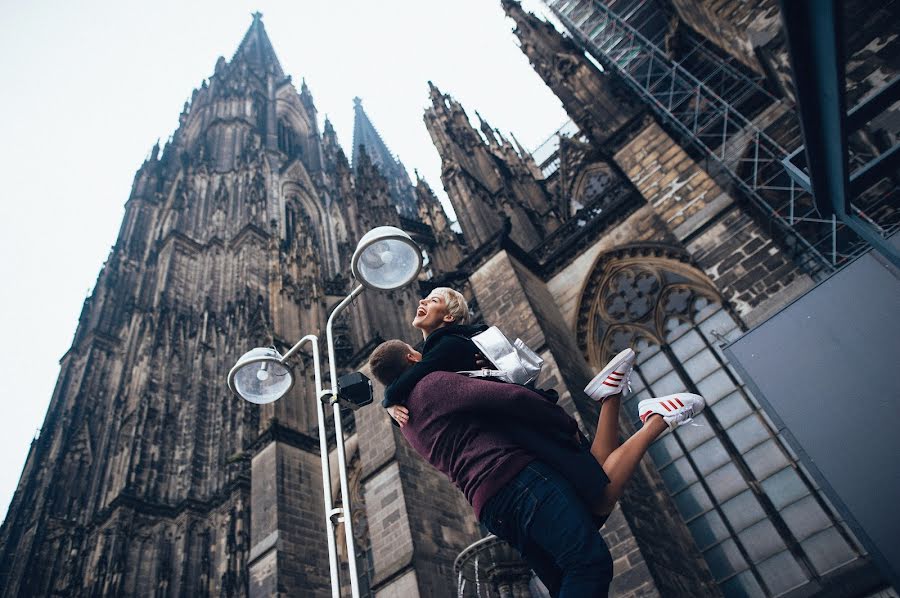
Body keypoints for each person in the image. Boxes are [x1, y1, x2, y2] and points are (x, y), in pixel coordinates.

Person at [368, 289, 705, 596]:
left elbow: (419, 377)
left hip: (489, 499)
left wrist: (388, 400)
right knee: (591, 537)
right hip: (515, 467)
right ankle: (638, 410)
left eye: (433, 298)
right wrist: (564, 422)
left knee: (586, 527)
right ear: (412, 358)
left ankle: (628, 405)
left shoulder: (408, 416)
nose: (423, 301)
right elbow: (511, 399)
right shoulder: (431, 380)